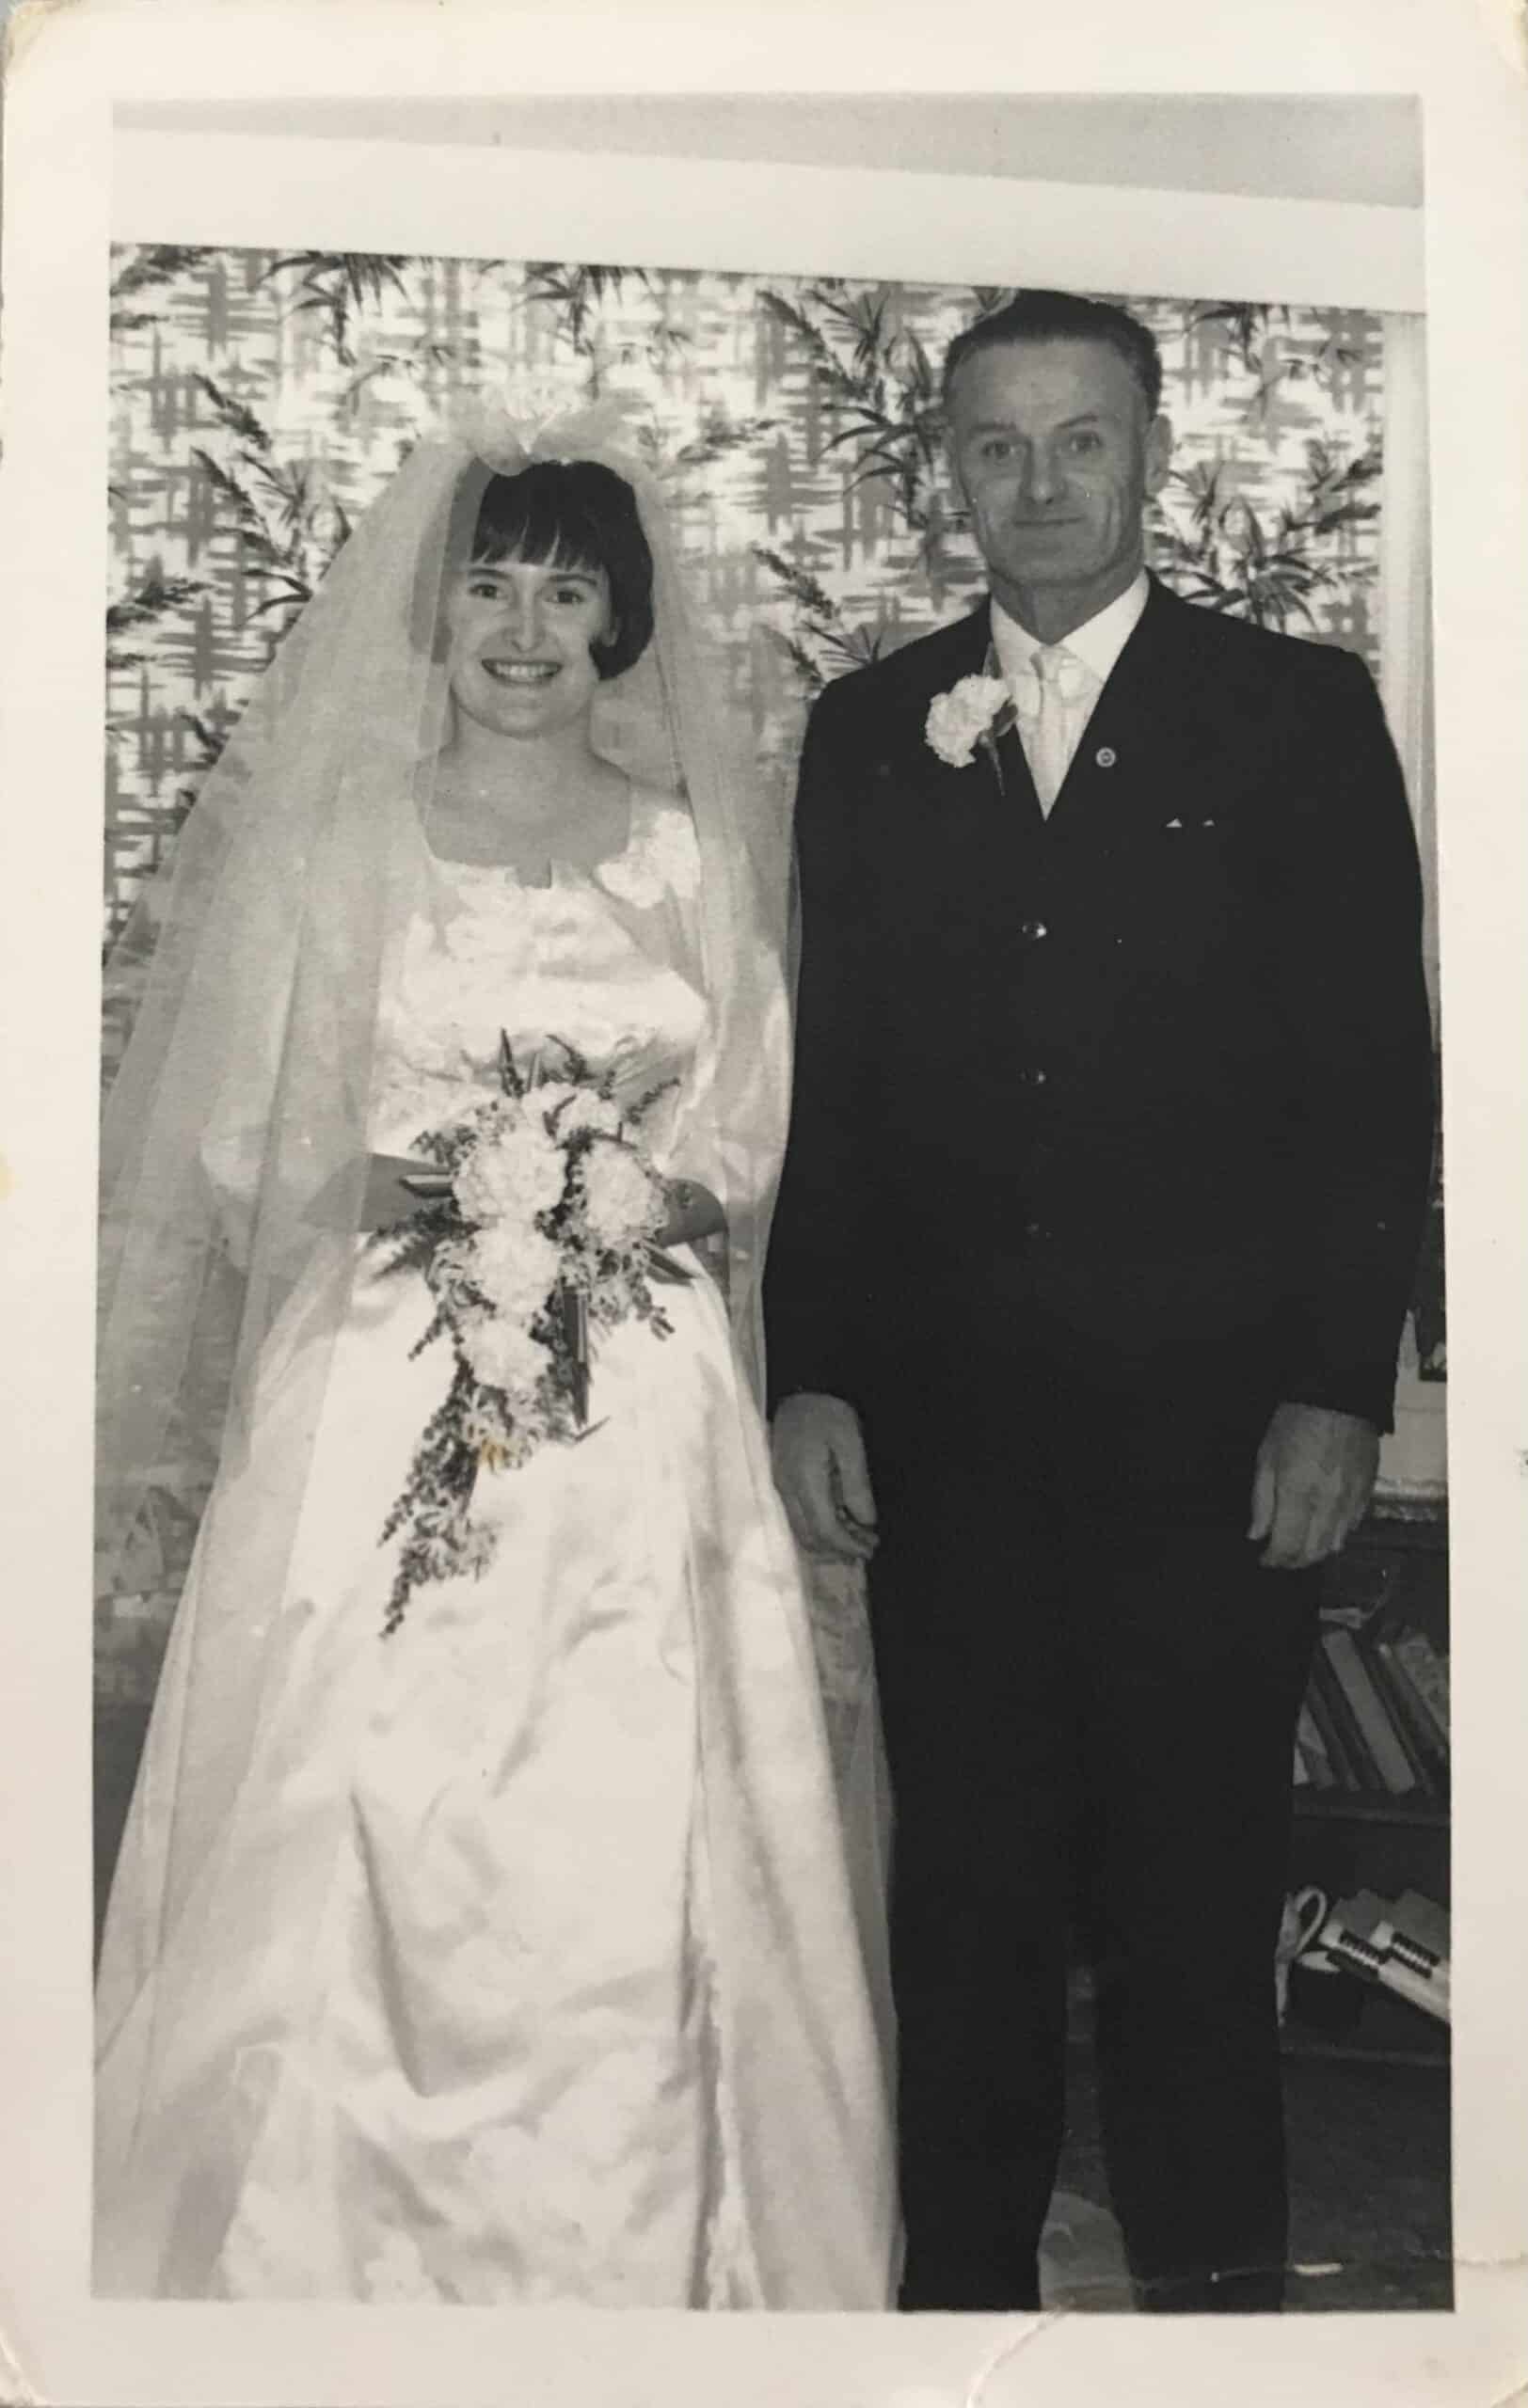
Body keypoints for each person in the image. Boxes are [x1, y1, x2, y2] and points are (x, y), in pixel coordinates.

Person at [93, 401, 899, 2306]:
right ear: (431, 611)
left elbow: (750, 1118)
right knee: (366, 1777)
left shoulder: (693, 856)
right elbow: (239, 1133)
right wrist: (448, 1183)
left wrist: (636, 1196)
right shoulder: (337, 851)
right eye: (490, 585)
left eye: (567, 591)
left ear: (621, 625)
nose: (524, 628)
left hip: (641, 1400)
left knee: (632, 1791)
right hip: (384, 1372)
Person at [764, 290, 1435, 2314]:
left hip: (1214, 1438)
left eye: (1078, 440)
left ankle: (1212, 2304)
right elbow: (840, 1086)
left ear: (1150, 458)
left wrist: (1336, 1388)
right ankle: (957, 2307)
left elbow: (1364, 1081)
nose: (1037, 483)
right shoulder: (869, 724)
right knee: (957, 1902)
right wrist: (808, 1373)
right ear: (941, 471)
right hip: (948, 1437)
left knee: (1186, 1898)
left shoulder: (1293, 705)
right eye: (994, 444)